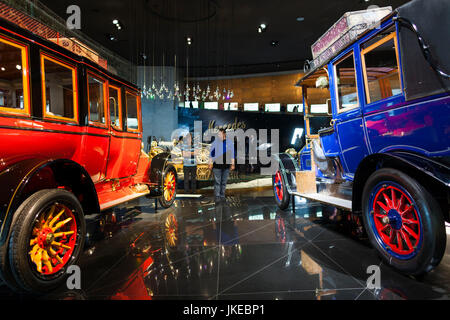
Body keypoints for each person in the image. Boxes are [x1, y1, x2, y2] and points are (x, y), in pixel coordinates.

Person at [209, 128, 235, 202]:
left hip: (226, 166)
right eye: (218, 134)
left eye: (220, 134)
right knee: (217, 182)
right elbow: (211, 154)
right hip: (217, 166)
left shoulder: (230, 143)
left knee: (224, 182)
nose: (219, 135)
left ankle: (222, 195)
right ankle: (217, 196)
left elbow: (232, 154)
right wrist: (210, 163)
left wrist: (233, 164)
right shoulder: (215, 143)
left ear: (224, 134)